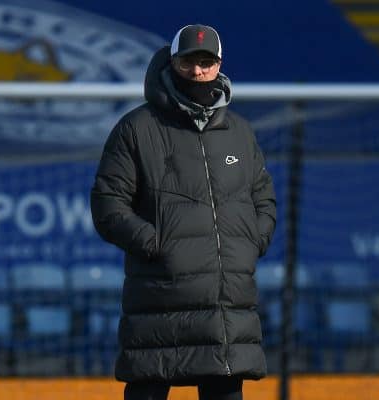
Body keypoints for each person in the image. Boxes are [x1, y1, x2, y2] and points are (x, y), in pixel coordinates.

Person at [91, 24, 276, 400]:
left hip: (226, 310)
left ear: (219, 65)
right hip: (158, 305)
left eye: (206, 63)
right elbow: (108, 204)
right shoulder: (136, 129)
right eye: (189, 62)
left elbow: (264, 199)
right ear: (172, 63)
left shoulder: (240, 132)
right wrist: (159, 245)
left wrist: (251, 243)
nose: (197, 72)